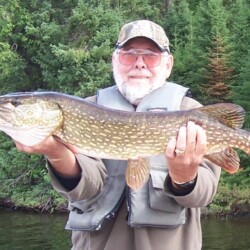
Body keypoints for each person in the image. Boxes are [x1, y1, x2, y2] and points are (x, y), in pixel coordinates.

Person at [15, 20, 221, 250]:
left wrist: (184, 177)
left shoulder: (190, 111)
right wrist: (55, 153)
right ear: (115, 60)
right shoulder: (85, 111)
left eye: (150, 55)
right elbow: (86, 188)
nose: (139, 64)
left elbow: (204, 194)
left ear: (168, 64)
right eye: (128, 54)